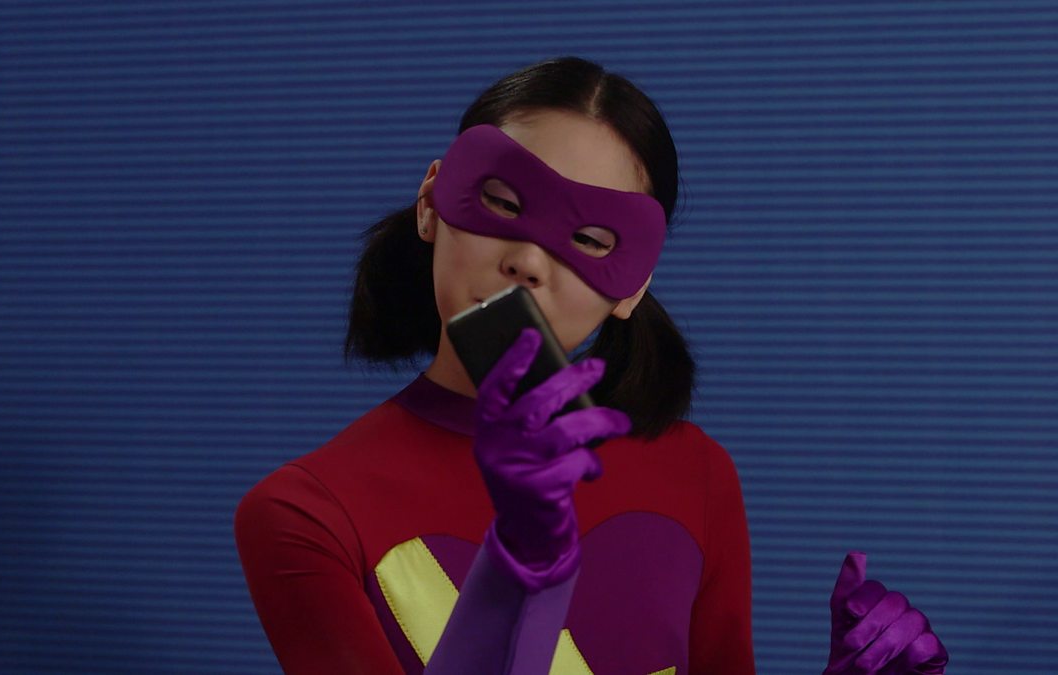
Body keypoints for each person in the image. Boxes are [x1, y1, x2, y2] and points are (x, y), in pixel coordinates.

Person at [234, 56, 948, 674]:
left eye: (591, 240)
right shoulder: (306, 513)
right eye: (501, 202)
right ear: (431, 204)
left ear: (633, 287)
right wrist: (520, 562)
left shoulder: (697, 474)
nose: (529, 260)